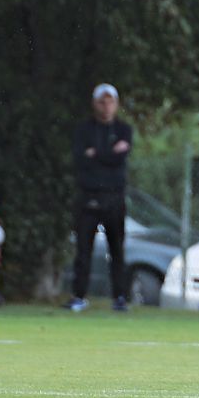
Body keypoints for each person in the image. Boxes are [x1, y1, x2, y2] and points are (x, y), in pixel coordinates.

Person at [67, 83, 132, 312]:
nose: (106, 106)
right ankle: (79, 296)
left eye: (110, 102)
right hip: (88, 198)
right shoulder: (84, 130)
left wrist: (96, 154)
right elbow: (81, 159)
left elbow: (117, 159)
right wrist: (109, 153)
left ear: (116, 104)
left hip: (114, 198)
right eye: (102, 102)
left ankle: (120, 297)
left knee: (117, 249)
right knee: (83, 250)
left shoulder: (123, 130)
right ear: (95, 104)